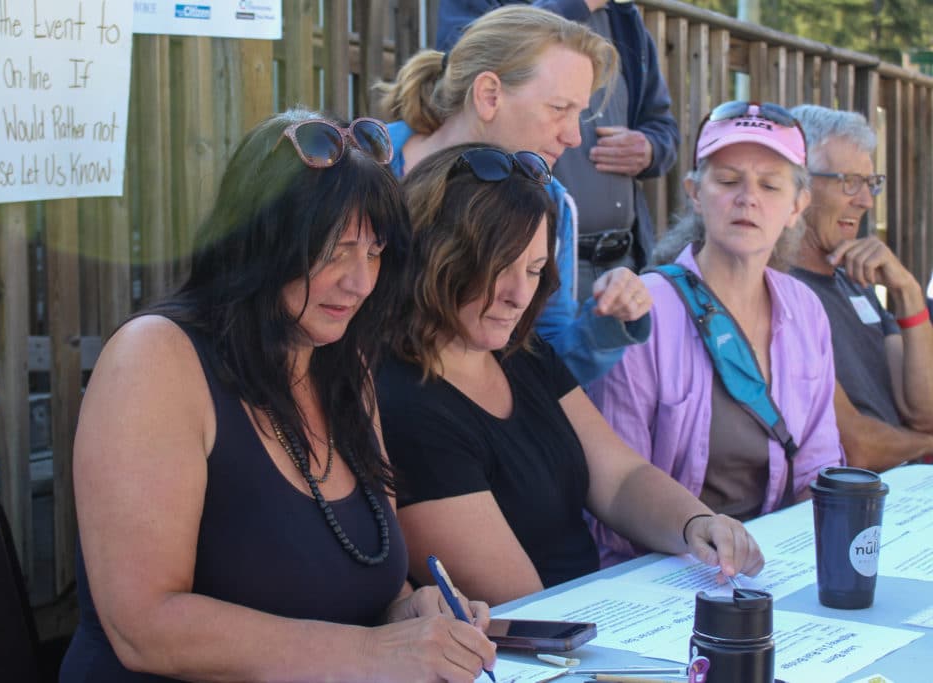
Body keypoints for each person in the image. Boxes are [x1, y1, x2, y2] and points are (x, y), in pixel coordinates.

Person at [58, 110, 497, 682]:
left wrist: (408, 613)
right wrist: (373, 654)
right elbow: (144, 626)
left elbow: (346, 588)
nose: (360, 281)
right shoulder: (155, 359)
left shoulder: (344, 363)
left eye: (374, 252)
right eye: (336, 250)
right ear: (259, 240)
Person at [377, 142, 765, 607]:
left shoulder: (519, 351)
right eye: (500, 268)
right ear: (436, 255)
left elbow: (620, 478)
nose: (521, 295)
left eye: (536, 269)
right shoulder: (401, 401)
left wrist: (696, 524)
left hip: (589, 619)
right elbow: (521, 607)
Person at [589, 102, 844, 566]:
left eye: (770, 184)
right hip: (661, 572)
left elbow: (819, 469)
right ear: (694, 194)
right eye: (727, 181)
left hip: (774, 568)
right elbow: (614, 501)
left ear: (797, 206)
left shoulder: (806, 310)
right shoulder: (645, 310)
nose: (747, 197)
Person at [373, 4, 652, 385]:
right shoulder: (364, 165)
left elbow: (545, 359)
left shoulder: (549, 202)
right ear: (489, 95)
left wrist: (605, 325)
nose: (573, 137)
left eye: (578, 114)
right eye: (558, 109)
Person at [436, 0, 680, 288]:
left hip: (625, 258)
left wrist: (650, 149)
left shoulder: (625, 19)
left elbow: (664, 128)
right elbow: (462, 63)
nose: (573, 137)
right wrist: (577, 5)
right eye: (559, 107)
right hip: (527, 256)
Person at [788, 104, 933, 470]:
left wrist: (909, 295)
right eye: (848, 182)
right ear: (798, 182)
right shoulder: (781, 291)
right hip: (856, 500)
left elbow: (925, 411)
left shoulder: (856, 281)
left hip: (908, 487)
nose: (866, 201)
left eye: (870, 183)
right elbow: (856, 447)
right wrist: (926, 445)